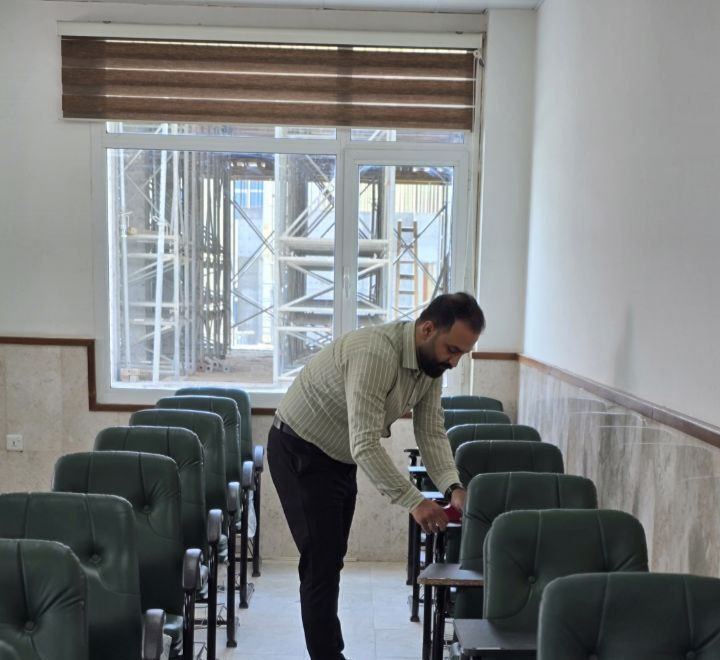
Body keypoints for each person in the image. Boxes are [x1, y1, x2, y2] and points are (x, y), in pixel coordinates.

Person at [267, 292, 485, 660]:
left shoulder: (430, 366)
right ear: (427, 329)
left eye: (462, 354)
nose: (454, 361)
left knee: (332, 557)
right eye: (452, 349)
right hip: (300, 448)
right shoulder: (375, 352)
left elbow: (431, 431)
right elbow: (365, 444)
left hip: (338, 456)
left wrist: (453, 487)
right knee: (321, 562)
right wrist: (415, 501)